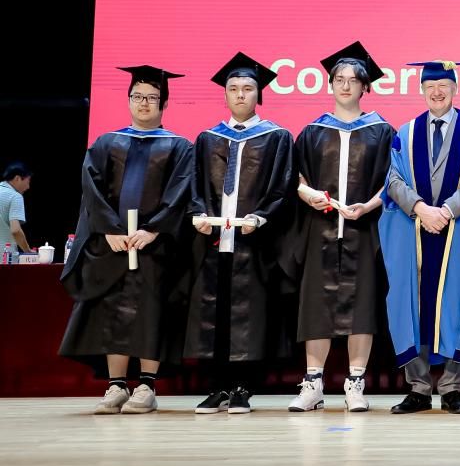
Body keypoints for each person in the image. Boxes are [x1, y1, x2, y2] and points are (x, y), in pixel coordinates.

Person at [58, 66, 194, 414]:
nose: (144, 103)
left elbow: (180, 193)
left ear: (164, 103)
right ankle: (116, 386)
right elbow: (92, 190)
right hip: (113, 244)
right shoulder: (106, 142)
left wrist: (153, 230)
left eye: (152, 97)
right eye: (137, 96)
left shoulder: (179, 146)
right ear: (129, 100)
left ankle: (147, 386)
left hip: (154, 245)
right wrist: (110, 230)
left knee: (151, 314)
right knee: (113, 313)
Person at [380, 60, 460, 416]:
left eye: (444, 85)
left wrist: (446, 211)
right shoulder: (406, 132)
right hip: (415, 231)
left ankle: (450, 388)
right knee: (411, 304)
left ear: (455, 89)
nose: (437, 92)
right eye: (430, 86)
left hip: (457, 231)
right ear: (421, 90)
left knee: (458, 303)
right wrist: (420, 208)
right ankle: (418, 389)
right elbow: (393, 181)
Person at [282, 42, 394, 413]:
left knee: (362, 307)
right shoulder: (313, 132)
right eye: (339, 79)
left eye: (353, 80)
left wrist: (369, 206)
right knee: (316, 305)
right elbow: (294, 177)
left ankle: (355, 383)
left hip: (364, 230)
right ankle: (313, 384)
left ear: (365, 86)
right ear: (330, 84)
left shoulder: (382, 132)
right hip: (321, 229)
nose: (345, 86)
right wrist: (308, 194)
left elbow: (393, 181)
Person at [188, 52, 295, 415]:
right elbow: (196, 186)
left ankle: (243, 387)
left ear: (258, 93)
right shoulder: (207, 139)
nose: (240, 94)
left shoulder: (277, 137)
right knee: (215, 314)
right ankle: (217, 386)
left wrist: (262, 218)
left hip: (255, 244)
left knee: (249, 317)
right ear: (225, 94)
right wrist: (198, 214)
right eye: (233, 88)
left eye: (247, 88)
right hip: (215, 242)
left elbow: (282, 189)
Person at [0, 162, 32, 255]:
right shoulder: (15, 196)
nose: (28, 187)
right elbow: (16, 230)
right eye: (28, 181)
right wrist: (28, 251)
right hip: (5, 257)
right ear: (17, 178)